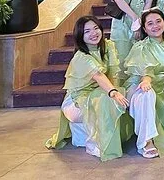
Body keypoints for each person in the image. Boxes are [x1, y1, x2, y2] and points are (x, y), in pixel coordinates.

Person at [46, 16, 133, 161]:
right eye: (87, 31)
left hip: (101, 90)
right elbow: (98, 76)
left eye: (96, 28)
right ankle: (96, 143)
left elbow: (113, 74)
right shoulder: (81, 56)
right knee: (106, 98)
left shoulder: (108, 46)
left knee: (115, 95)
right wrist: (113, 92)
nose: (93, 33)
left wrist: (116, 91)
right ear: (80, 36)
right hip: (77, 99)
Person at [123, 9, 164, 158]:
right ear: (145, 29)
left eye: (158, 21)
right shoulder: (141, 47)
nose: (155, 26)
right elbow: (145, 73)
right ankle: (146, 142)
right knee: (147, 94)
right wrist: (146, 81)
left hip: (162, 89)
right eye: (150, 24)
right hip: (140, 86)